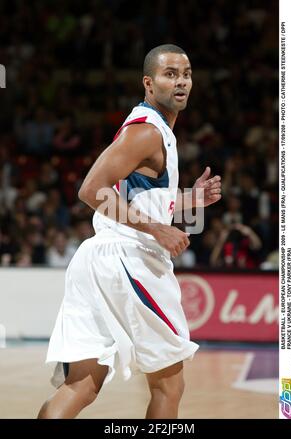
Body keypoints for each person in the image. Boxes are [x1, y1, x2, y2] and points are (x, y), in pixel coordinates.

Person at [38, 44, 222, 419]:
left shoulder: (155, 131)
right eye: (170, 74)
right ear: (149, 83)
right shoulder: (147, 133)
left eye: (186, 74)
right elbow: (91, 190)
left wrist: (189, 201)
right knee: (169, 385)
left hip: (98, 259)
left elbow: (138, 196)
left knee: (82, 385)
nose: (181, 82)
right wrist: (157, 229)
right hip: (129, 259)